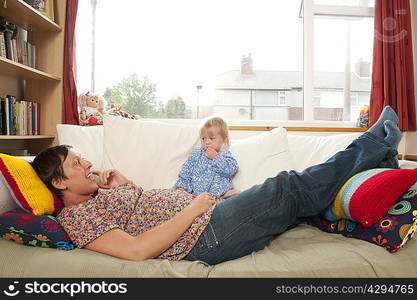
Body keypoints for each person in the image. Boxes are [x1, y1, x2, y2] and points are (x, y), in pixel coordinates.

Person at [31, 106, 402, 265]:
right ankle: (374, 144)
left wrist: (123, 183)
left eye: (84, 158)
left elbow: (139, 209)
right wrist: (193, 208)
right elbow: (136, 250)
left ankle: (381, 159)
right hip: (202, 236)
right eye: (78, 164)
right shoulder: (78, 219)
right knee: (284, 188)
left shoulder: (102, 193)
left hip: (207, 216)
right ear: (60, 181)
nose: (88, 164)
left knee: (291, 198)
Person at [174, 116, 239, 197]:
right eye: (203, 138)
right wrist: (182, 188)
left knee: (235, 193)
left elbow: (231, 170)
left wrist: (216, 157)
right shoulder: (196, 154)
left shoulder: (225, 154)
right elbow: (185, 172)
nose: (207, 142)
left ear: (224, 139)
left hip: (220, 194)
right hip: (197, 196)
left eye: (211, 138)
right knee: (178, 194)